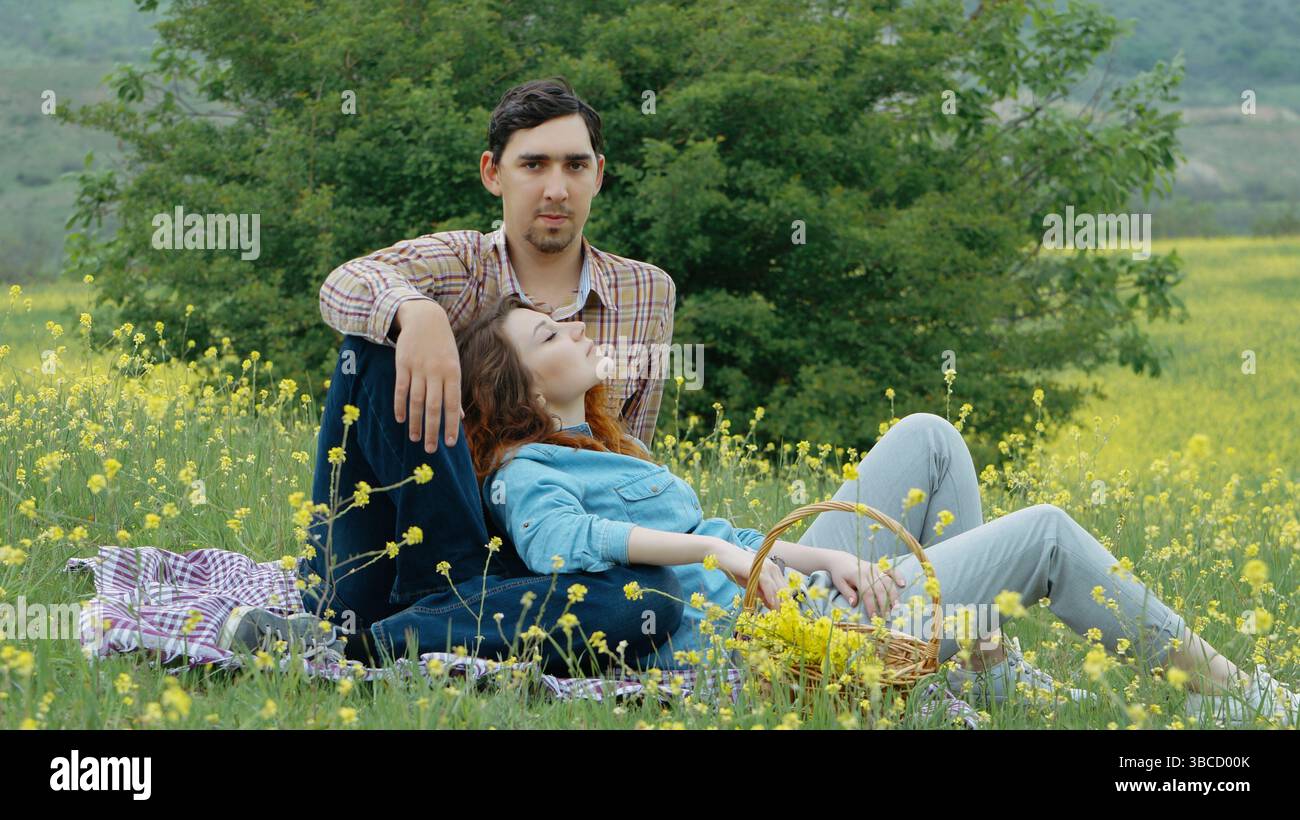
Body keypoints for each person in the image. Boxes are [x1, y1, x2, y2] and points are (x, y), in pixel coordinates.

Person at [445, 292, 1300, 725]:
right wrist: (724, 557)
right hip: (787, 643)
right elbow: (562, 543)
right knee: (1043, 534)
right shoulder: (525, 471)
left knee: (929, 436)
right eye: (548, 336)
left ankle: (972, 665)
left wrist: (820, 554)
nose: (575, 330)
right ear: (519, 389)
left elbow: (723, 537)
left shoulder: (606, 448)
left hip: (800, 595)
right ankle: (1236, 699)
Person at [267, 77, 682, 674]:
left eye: (575, 165)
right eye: (533, 165)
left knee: (653, 593)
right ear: (493, 173)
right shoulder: (459, 263)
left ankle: (374, 644)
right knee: (373, 347)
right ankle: (433, 613)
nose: (556, 188)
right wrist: (419, 314)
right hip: (399, 552)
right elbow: (344, 282)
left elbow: (626, 456)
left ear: (598, 175)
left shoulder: (646, 291)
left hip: (523, 567)